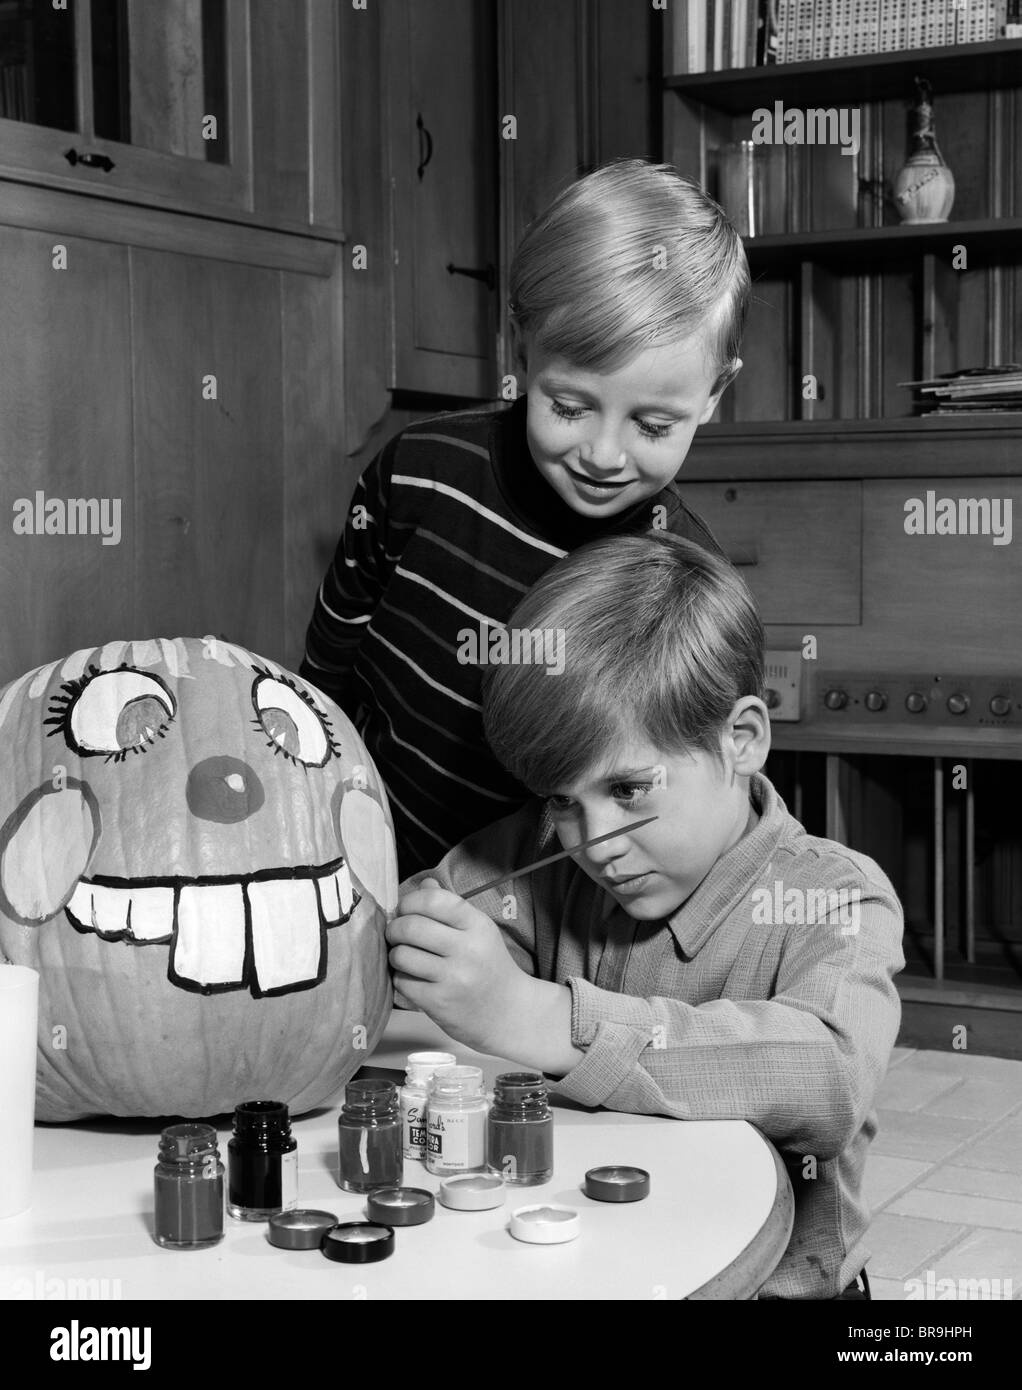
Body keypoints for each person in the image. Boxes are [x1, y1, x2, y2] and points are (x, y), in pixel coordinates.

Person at [388, 532, 905, 1300]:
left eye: (630, 791)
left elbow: (828, 1074)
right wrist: (417, 939)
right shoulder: (542, 856)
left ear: (742, 740)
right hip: (595, 1270)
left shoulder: (835, 896)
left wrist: (538, 1017)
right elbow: (434, 909)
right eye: (564, 800)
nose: (596, 842)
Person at [299, 158, 749, 875]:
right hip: (353, 840)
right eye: (568, 408)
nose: (604, 455)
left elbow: (670, 791)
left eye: (654, 426)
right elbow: (332, 650)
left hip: (527, 909)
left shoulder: (683, 579)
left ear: (715, 394)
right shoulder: (417, 468)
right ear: (519, 349)